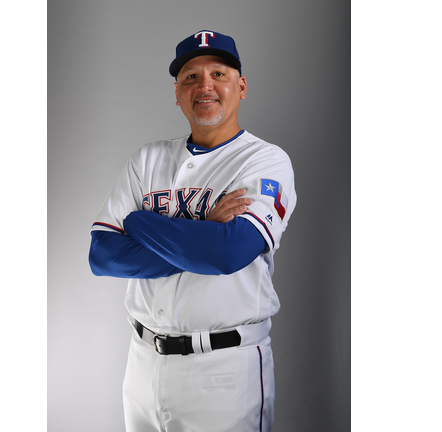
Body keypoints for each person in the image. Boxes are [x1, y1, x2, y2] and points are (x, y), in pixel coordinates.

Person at [88, 30, 297, 432]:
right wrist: (201, 229)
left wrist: (139, 222)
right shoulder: (146, 159)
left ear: (241, 86)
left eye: (218, 73)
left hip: (224, 369)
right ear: (178, 92)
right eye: (190, 77)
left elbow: (227, 254)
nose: (205, 86)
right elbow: (102, 255)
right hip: (142, 362)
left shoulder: (265, 162)